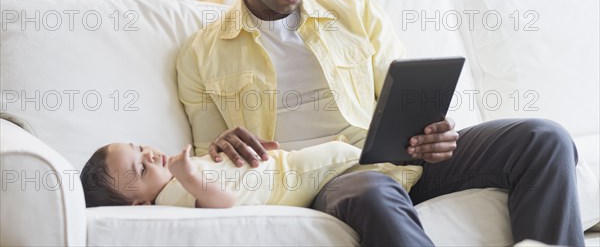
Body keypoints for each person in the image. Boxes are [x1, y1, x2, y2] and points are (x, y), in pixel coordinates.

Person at [176, 0, 584, 246]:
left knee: (543, 138)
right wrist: (218, 145)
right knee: (372, 188)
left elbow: (405, 99)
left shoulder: (354, 13)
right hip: (324, 179)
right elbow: (204, 166)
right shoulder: (201, 54)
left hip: (399, 158)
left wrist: (434, 132)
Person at [79, 141, 422, 208]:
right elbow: (223, 200)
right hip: (285, 182)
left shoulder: (175, 176)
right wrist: (190, 178)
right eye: (142, 167)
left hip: (278, 167)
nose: (150, 154)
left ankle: (396, 162)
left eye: (139, 147)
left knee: (339, 155)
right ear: (139, 203)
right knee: (338, 156)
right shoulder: (173, 194)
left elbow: (228, 174)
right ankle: (401, 167)